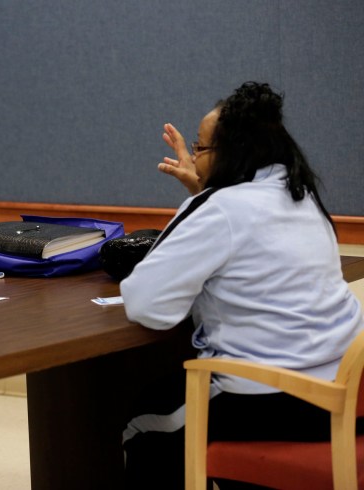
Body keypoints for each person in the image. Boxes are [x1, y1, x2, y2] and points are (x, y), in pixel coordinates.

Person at [119, 82, 364, 489]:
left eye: (201, 149)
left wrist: (198, 202)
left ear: (233, 153)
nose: (194, 157)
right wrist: (205, 193)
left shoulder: (219, 208)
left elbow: (146, 306)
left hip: (280, 402)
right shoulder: (301, 196)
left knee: (142, 420)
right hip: (347, 393)